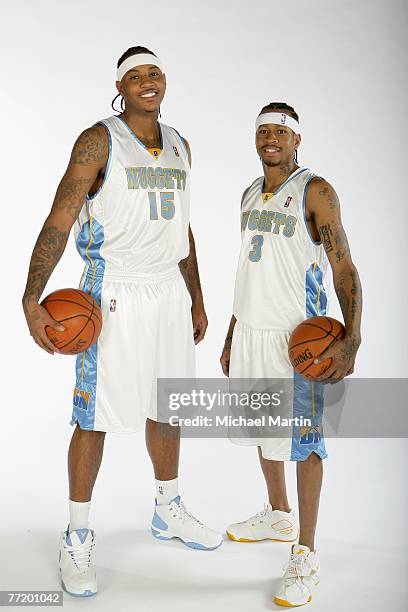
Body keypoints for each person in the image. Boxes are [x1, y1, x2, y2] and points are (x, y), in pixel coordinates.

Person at [22, 46, 222, 598]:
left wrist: (196, 298)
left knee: (169, 405)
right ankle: (78, 533)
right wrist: (31, 295)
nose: (148, 81)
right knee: (95, 417)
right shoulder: (99, 139)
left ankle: (168, 506)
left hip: (166, 293)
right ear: (120, 86)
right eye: (136, 75)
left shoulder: (181, 144)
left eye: (155, 72)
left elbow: (185, 230)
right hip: (112, 292)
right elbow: (61, 216)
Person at [220, 102, 362, 607]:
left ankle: (307, 550)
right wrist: (233, 330)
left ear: (297, 139)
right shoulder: (246, 193)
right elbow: (248, 269)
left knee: (305, 443)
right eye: (263, 130)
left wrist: (353, 337)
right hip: (252, 332)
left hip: (298, 339)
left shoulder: (315, 191)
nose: (271, 138)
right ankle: (279, 513)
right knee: (264, 429)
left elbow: (343, 268)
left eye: (281, 131)